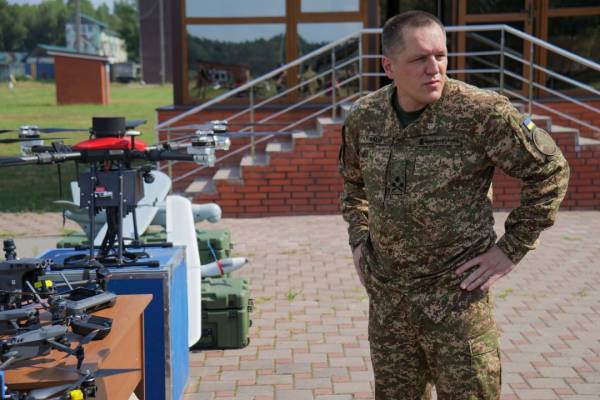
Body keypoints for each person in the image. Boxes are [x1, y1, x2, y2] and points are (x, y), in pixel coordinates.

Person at [338, 11, 569, 399]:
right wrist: (359, 240)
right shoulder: (365, 118)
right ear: (389, 67)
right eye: (419, 59)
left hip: (457, 301)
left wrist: (510, 250)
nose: (434, 69)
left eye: (441, 56)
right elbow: (353, 183)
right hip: (390, 303)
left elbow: (551, 171)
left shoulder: (481, 113)